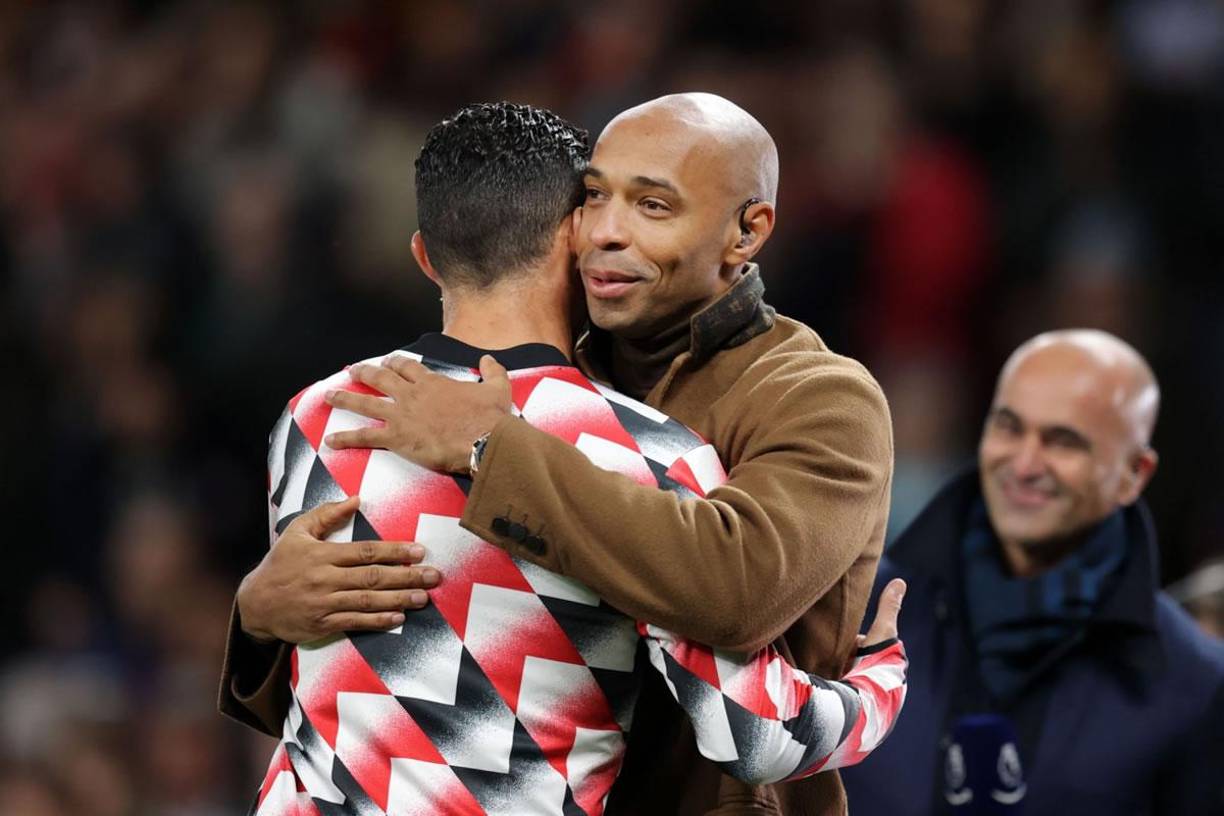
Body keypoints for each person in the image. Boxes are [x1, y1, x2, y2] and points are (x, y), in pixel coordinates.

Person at [226, 102, 907, 816]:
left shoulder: (821, 397)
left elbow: (735, 590)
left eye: (651, 205)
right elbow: (376, 693)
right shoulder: (565, 407)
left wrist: (492, 450)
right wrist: (257, 617)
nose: (606, 232)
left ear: (748, 231)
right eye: (594, 198)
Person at [840, 329, 1224, 815]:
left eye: (1063, 442)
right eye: (1009, 427)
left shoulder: (1197, 686)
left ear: (1134, 474)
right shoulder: (851, 612)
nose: (1024, 463)